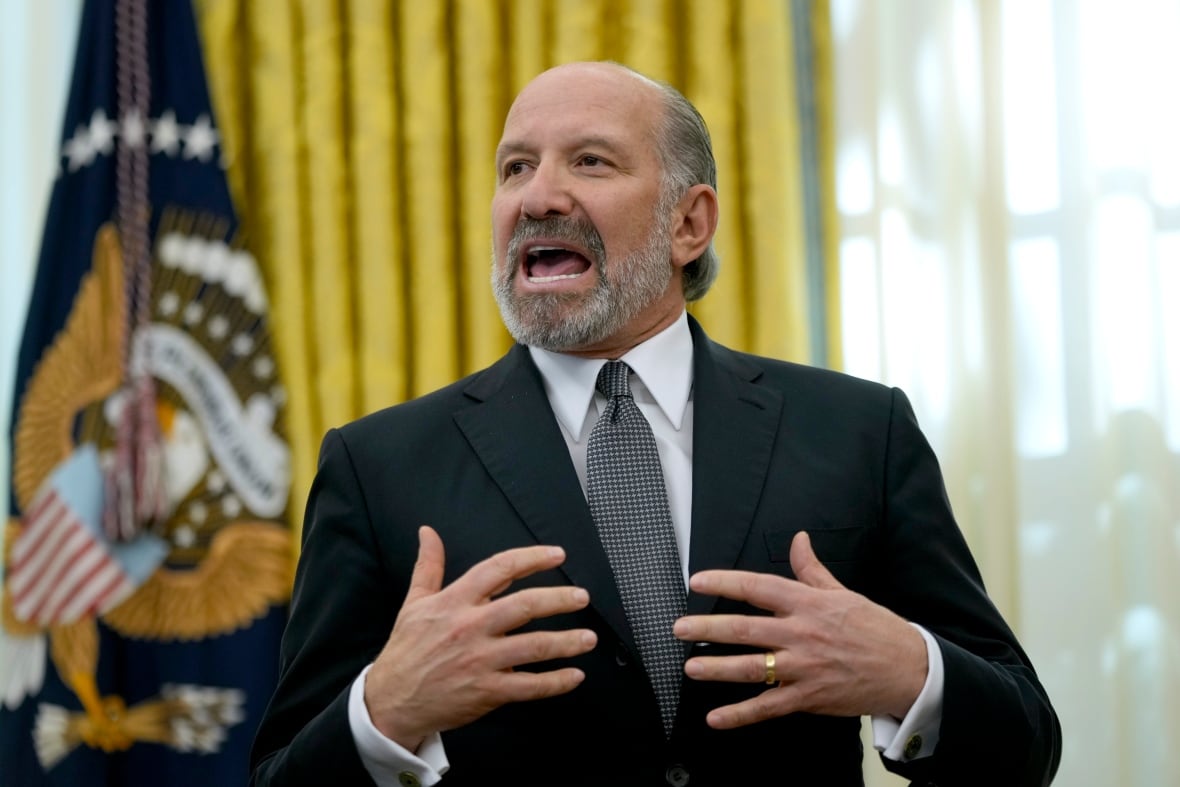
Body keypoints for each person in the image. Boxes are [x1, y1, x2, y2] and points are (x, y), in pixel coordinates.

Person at [249, 61, 1061, 787]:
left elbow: (1028, 747)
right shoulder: (378, 465)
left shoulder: (858, 429)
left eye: (590, 161)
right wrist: (383, 709)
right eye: (516, 167)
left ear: (690, 223)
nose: (538, 196)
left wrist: (907, 672)